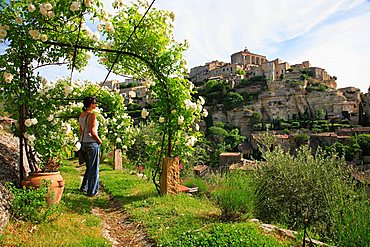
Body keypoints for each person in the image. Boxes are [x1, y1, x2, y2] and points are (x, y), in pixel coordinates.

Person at [79, 97, 102, 197]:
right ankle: (92, 191)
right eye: (95, 103)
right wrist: (99, 141)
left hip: (83, 142)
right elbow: (92, 132)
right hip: (91, 143)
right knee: (94, 169)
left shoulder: (81, 115)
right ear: (91, 104)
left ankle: (84, 187)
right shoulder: (92, 115)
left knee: (89, 167)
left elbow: (81, 130)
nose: (96, 105)